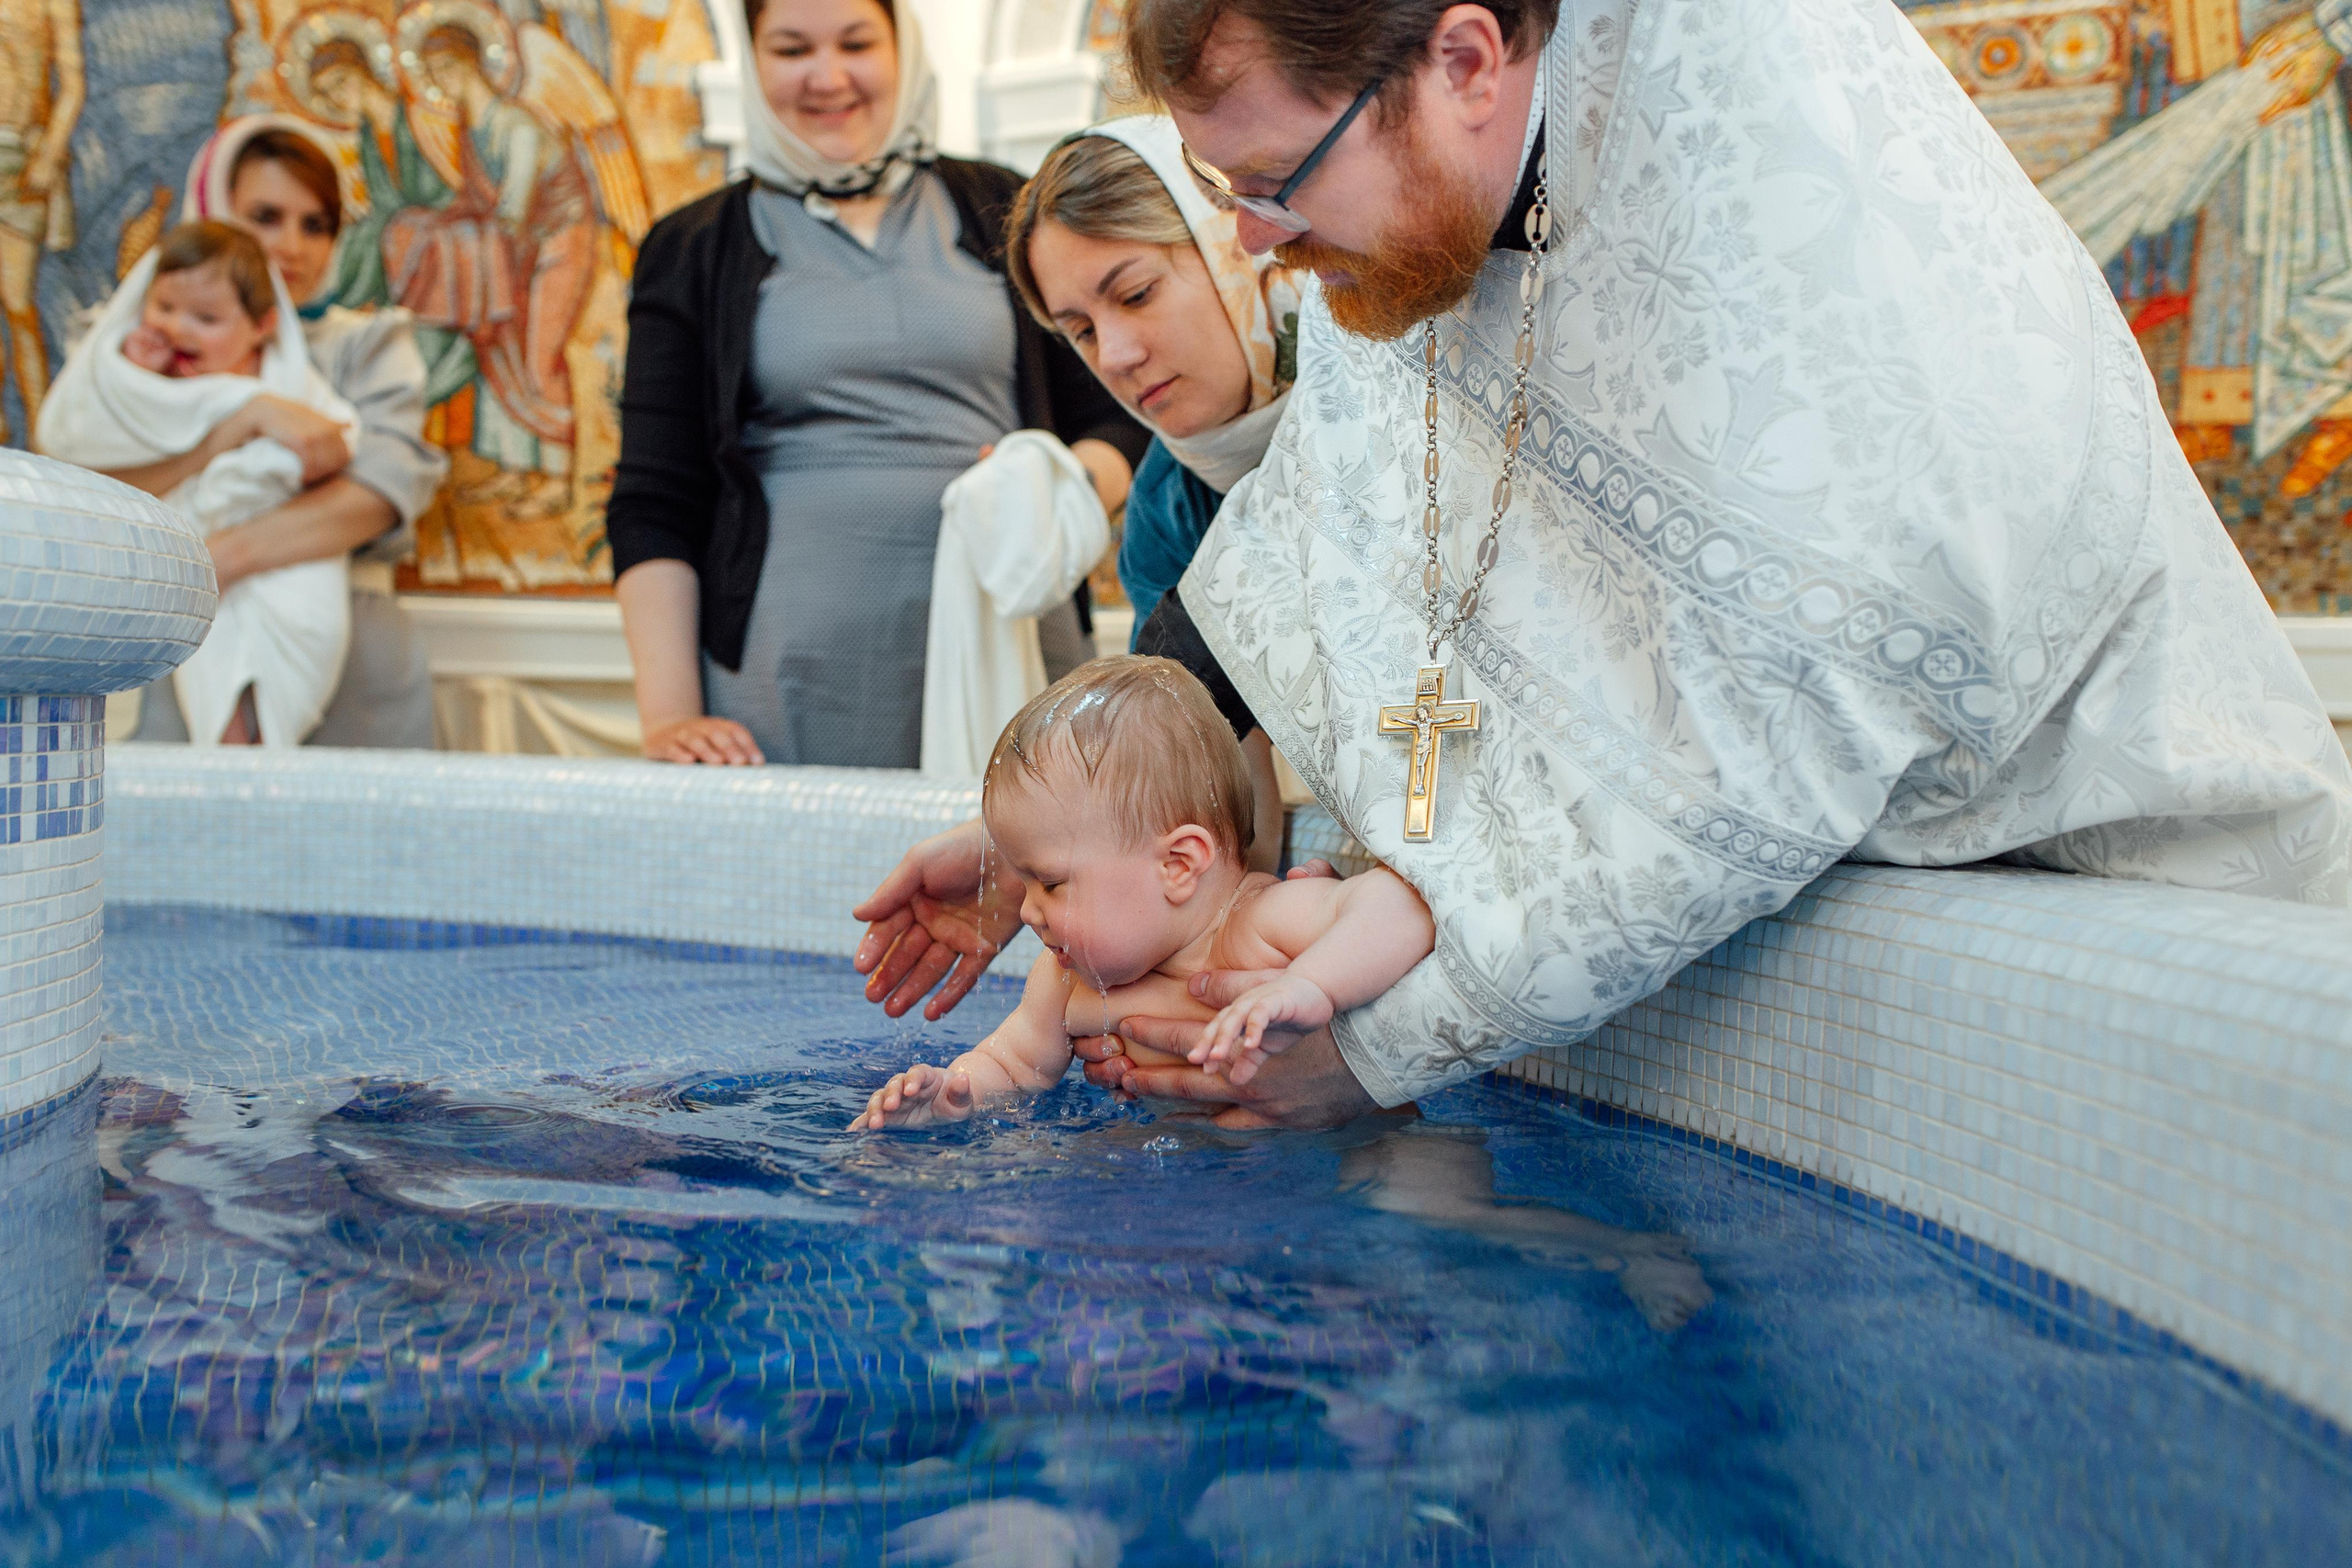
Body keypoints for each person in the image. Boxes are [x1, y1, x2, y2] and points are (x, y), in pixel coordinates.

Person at [854, 0, 2352, 1131]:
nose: (1254, 240)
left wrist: (1368, 1056)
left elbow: (1766, 743)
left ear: (1460, 59)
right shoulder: (1441, 165)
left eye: (1273, 184)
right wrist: (1061, 835)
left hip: (2126, 903)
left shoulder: (1787, 182)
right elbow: (1333, 515)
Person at [606, 0, 1148, 769]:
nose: (828, 77)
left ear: (903, 49)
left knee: (1023, 883)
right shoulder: (694, 246)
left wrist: (1060, 480)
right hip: (786, 684)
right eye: (792, 49)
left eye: (856, 42)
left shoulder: (1004, 206)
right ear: (753, 63)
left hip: (1014, 646)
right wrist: (666, 717)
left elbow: (1120, 413)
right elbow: (654, 498)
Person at [851, 656, 1435, 1129]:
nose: (1027, 910)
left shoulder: (1259, 924)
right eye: (1023, 881)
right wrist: (950, 1099)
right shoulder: (1065, 980)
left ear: (1178, 866)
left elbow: (1401, 905)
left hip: (1355, 1153)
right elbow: (1012, 1064)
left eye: (1050, 883)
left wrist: (1312, 986)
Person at [1002, 116, 1304, 869]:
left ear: (1235, 246)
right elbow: (1219, 796)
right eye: (1080, 330)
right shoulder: (1167, 508)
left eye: (1135, 294)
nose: (1118, 355)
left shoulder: (1404, 392)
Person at [99, 117, 447, 749]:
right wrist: (235, 427)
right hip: (175, 651)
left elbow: (379, 490)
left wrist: (216, 559)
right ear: (214, 212)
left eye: (316, 224)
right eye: (265, 216)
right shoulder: (150, 347)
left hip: (348, 662)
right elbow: (99, 488)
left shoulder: (365, 344)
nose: (291, 245)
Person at [38, 221, 360, 747]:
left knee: (302, 635)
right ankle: (233, 766)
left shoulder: (286, 382)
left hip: (283, 554)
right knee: (213, 672)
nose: (179, 329)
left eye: (207, 318)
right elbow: (93, 437)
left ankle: (268, 756)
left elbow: (332, 442)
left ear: (263, 327)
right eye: (164, 307)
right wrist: (138, 377)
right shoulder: (146, 370)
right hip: (194, 559)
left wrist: (272, 442)